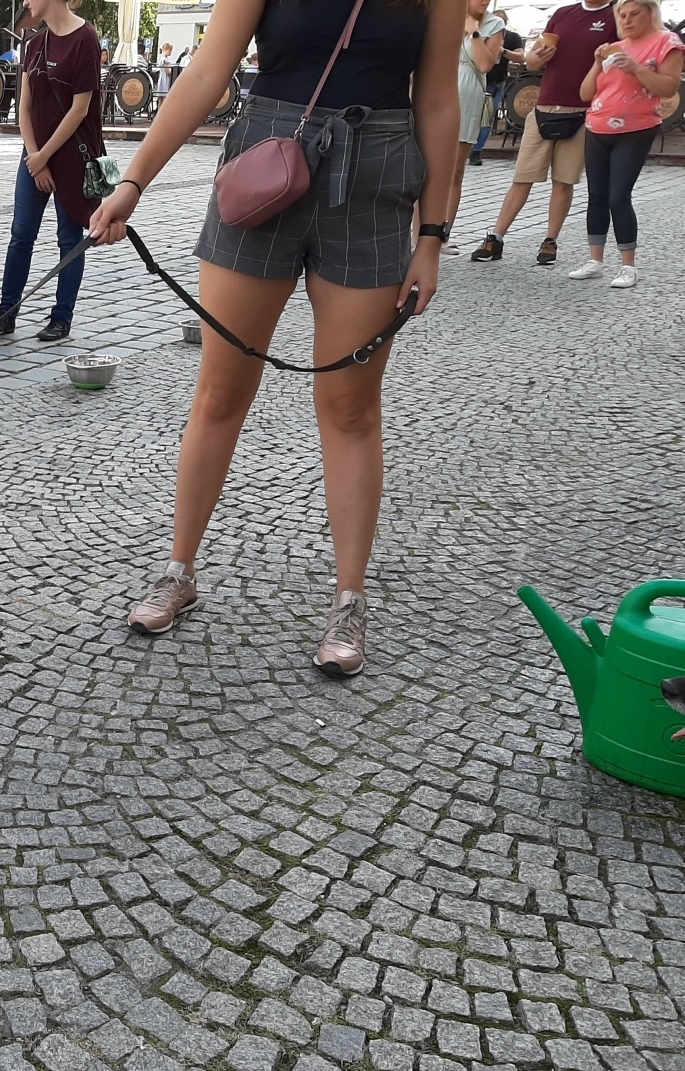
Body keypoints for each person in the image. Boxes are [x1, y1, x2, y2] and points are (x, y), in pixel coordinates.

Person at [90, 0, 464, 677]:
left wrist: (432, 237)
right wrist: (134, 182)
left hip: (376, 176)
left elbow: (437, 103)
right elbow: (209, 71)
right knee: (220, 391)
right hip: (267, 158)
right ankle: (179, 571)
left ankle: (350, 599)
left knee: (351, 408)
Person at [0, 0, 105, 344]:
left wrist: (46, 156)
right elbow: (24, 105)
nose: (25, 2)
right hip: (35, 155)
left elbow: (79, 109)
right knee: (21, 234)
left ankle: (61, 317)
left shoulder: (85, 38)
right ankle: (6, 312)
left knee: (69, 240)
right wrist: (35, 155)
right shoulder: (34, 42)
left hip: (71, 158)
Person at [469, 0, 616, 264]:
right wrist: (537, 57)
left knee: (564, 181)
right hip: (545, 105)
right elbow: (533, 63)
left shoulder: (616, 15)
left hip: (583, 111)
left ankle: (550, 240)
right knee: (522, 177)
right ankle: (496, 237)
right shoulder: (563, 13)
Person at [567, 0, 682, 286]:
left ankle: (628, 266)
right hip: (598, 126)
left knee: (618, 196)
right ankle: (596, 260)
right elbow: (585, 92)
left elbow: (668, 87)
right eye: (622, 14)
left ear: (651, 13)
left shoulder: (666, 41)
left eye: (634, 14)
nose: (627, 20)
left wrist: (636, 68)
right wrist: (596, 63)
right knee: (597, 196)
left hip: (636, 127)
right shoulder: (616, 47)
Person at [442, 0, 503, 252]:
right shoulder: (444, 14)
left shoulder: (494, 23)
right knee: (425, 169)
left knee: (454, 171)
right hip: (441, 86)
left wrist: (474, 30)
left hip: (468, 94)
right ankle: (416, 237)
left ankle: (442, 235)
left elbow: (485, 64)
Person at [470, 10, 523, 163]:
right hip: (479, 81)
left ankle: (476, 151)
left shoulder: (512, 38)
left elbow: (521, 57)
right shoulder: (481, 34)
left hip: (497, 83)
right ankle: (468, 147)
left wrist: (503, 51)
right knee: (472, 117)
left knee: (486, 119)